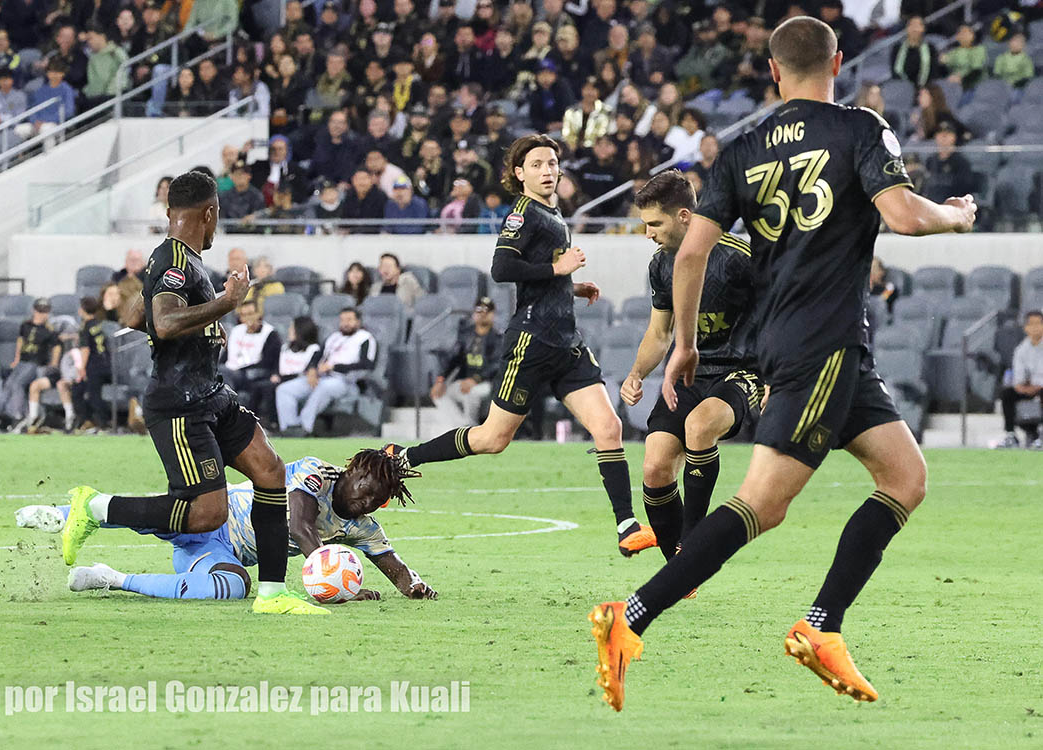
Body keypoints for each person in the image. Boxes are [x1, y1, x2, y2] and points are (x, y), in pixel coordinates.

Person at [589, 16, 976, 712]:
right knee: (762, 504)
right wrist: (955, 215)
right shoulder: (859, 127)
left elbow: (688, 254)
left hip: (807, 345)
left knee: (904, 477)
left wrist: (683, 344)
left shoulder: (741, 148)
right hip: (820, 343)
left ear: (772, 71)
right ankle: (631, 617)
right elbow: (904, 217)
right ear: (839, 63)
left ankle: (821, 626)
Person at [59, 170, 325, 616]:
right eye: (217, 216)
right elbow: (163, 323)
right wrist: (226, 303)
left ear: (168, 213)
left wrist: (180, 312)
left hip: (210, 392)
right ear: (209, 212)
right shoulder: (176, 262)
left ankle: (274, 594)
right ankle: (96, 507)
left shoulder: (177, 259)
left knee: (271, 470)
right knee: (206, 514)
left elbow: (132, 314)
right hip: (179, 403)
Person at [386, 134, 656, 558]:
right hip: (531, 342)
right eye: (537, 165)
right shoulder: (522, 214)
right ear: (519, 173)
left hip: (566, 341)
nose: (548, 171)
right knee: (493, 439)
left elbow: (542, 277)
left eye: (552, 163)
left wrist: (569, 285)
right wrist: (557, 268)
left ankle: (626, 526)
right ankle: (402, 458)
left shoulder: (553, 212)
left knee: (609, 428)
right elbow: (501, 268)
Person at [17, 451, 436, 601]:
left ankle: (110, 579)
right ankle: (61, 513)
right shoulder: (315, 473)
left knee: (233, 588)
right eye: (363, 487)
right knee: (156, 514)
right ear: (350, 471)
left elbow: (394, 566)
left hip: (218, 554)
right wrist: (328, 573)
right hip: (210, 513)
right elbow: (298, 522)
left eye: (374, 498)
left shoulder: (363, 526)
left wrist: (413, 585)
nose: (364, 500)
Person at [621, 170, 761, 577]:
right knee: (655, 467)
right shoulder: (661, 266)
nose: (647, 233)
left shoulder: (738, 258)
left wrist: (782, 373)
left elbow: (782, 312)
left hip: (744, 371)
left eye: (654, 224)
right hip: (689, 375)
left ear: (684, 216)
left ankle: (695, 544)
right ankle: (679, 571)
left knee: (700, 426)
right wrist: (636, 373)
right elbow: (659, 331)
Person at [274, 307, 376, 436]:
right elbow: (317, 355)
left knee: (324, 387)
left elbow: (367, 365)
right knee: (284, 389)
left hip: (346, 381)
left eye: (349, 320)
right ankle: (289, 427)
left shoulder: (365, 338)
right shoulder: (334, 337)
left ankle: (305, 427)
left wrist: (334, 367)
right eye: (342, 320)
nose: (345, 323)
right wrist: (311, 370)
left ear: (358, 322)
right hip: (321, 377)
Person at [430, 296, 502, 422]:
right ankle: (462, 428)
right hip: (464, 381)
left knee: (471, 393)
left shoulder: (497, 337)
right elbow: (454, 358)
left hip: (487, 383)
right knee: (439, 395)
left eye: (486, 311)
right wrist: (441, 380)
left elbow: (496, 365)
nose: (482, 315)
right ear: (474, 314)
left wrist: (475, 380)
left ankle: (471, 428)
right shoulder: (466, 335)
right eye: (479, 311)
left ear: (492, 315)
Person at [6, 298, 63, 433]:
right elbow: (21, 341)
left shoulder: (49, 330)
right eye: (39, 311)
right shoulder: (25, 325)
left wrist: (54, 363)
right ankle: (24, 413)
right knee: (9, 384)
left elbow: (56, 347)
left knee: (17, 384)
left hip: (36, 363)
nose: (42, 314)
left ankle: (17, 415)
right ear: (34, 310)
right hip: (23, 362)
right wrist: (17, 358)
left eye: (45, 312)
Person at [220, 299, 281, 412]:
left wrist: (239, 370)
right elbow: (226, 356)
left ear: (259, 314)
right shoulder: (236, 331)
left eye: (250, 314)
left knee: (223, 374)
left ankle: (227, 410)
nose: (247, 318)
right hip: (229, 371)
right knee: (218, 371)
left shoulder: (270, 334)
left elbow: (267, 363)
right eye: (243, 315)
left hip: (249, 375)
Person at [258, 316, 319, 428]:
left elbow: (307, 370)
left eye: (292, 328)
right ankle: (255, 424)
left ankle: (276, 424)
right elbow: (278, 365)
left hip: (298, 380)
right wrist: (275, 374)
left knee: (270, 388)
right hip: (281, 378)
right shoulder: (285, 348)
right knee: (258, 386)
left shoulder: (313, 349)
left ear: (301, 331)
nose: (289, 331)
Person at [994, 310, 1043, 449]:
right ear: (1025, 328)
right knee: (1007, 394)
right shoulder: (1021, 350)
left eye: (1038, 323)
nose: (1035, 327)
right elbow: (1018, 380)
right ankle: (1011, 435)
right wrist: (1024, 387)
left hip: (1041, 388)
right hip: (1030, 388)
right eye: (1031, 324)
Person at [72, 296, 111, 433]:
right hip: (106, 364)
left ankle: (101, 423)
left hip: (93, 366)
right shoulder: (98, 324)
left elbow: (85, 349)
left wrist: (81, 368)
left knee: (88, 394)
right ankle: (89, 421)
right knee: (81, 390)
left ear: (82, 309)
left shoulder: (85, 327)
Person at [219, 159, 266, 231]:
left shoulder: (257, 196)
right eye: (236, 173)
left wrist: (254, 217)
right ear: (231, 176)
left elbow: (262, 215)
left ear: (249, 176)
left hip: (251, 235)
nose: (239, 176)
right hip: (229, 236)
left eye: (242, 173)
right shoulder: (224, 196)